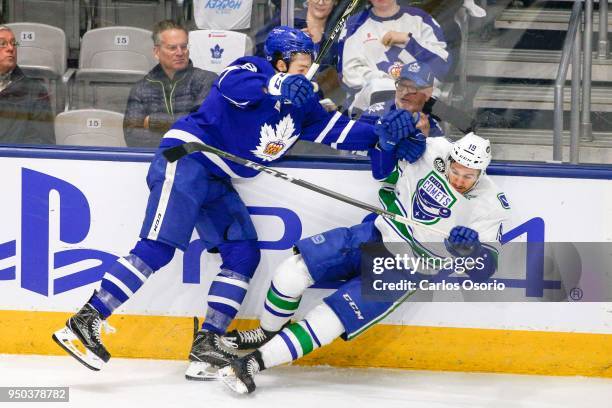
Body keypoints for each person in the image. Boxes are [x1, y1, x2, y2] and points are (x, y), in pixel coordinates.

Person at [51, 26, 416, 380]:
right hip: (187, 158)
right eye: (300, 65)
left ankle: (207, 342)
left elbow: (343, 132)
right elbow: (230, 85)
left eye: (308, 65)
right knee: (158, 248)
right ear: (279, 61)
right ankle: (86, 321)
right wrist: (278, 85)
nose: (305, 72)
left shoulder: (303, 105)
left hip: (216, 179)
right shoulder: (252, 69)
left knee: (243, 253)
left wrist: (385, 131)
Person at [219, 131, 511, 394]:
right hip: (375, 233)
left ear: (481, 173)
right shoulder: (433, 150)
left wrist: (472, 250)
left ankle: (253, 364)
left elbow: (486, 268)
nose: (459, 179)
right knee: (290, 274)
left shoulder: (490, 203)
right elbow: (384, 167)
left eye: (468, 176)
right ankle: (266, 332)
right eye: (456, 170)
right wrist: (393, 140)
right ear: (449, 160)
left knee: (329, 320)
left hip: (409, 267)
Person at [339, 0, 451, 114]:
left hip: (420, 105)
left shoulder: (420, 19)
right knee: (379, 86)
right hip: (372, 108)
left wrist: (408, 41)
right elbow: (349, 74)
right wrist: (388, 80)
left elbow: (441, 68)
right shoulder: (354, 24)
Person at [123, 20, 217, 148]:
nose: (180, 53)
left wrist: (152, 121)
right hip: (151, 161)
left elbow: (202, 125)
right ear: (156, 52)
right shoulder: (141, 88)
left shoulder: (207, 80)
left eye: (184, 47)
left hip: (195, 160)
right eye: (172, 48)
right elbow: (132, 137)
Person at [0, 26, 54, 145]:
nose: (10, 48)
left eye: (13, 43)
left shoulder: (35, 91)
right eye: (2, 43)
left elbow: (42, 142)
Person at [363, 61, 444, 138]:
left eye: (413, 88)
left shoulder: (432, 129)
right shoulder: (375, 113)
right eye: (401, 85)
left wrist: (425, 140)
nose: (404, 92)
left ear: (428, 94)